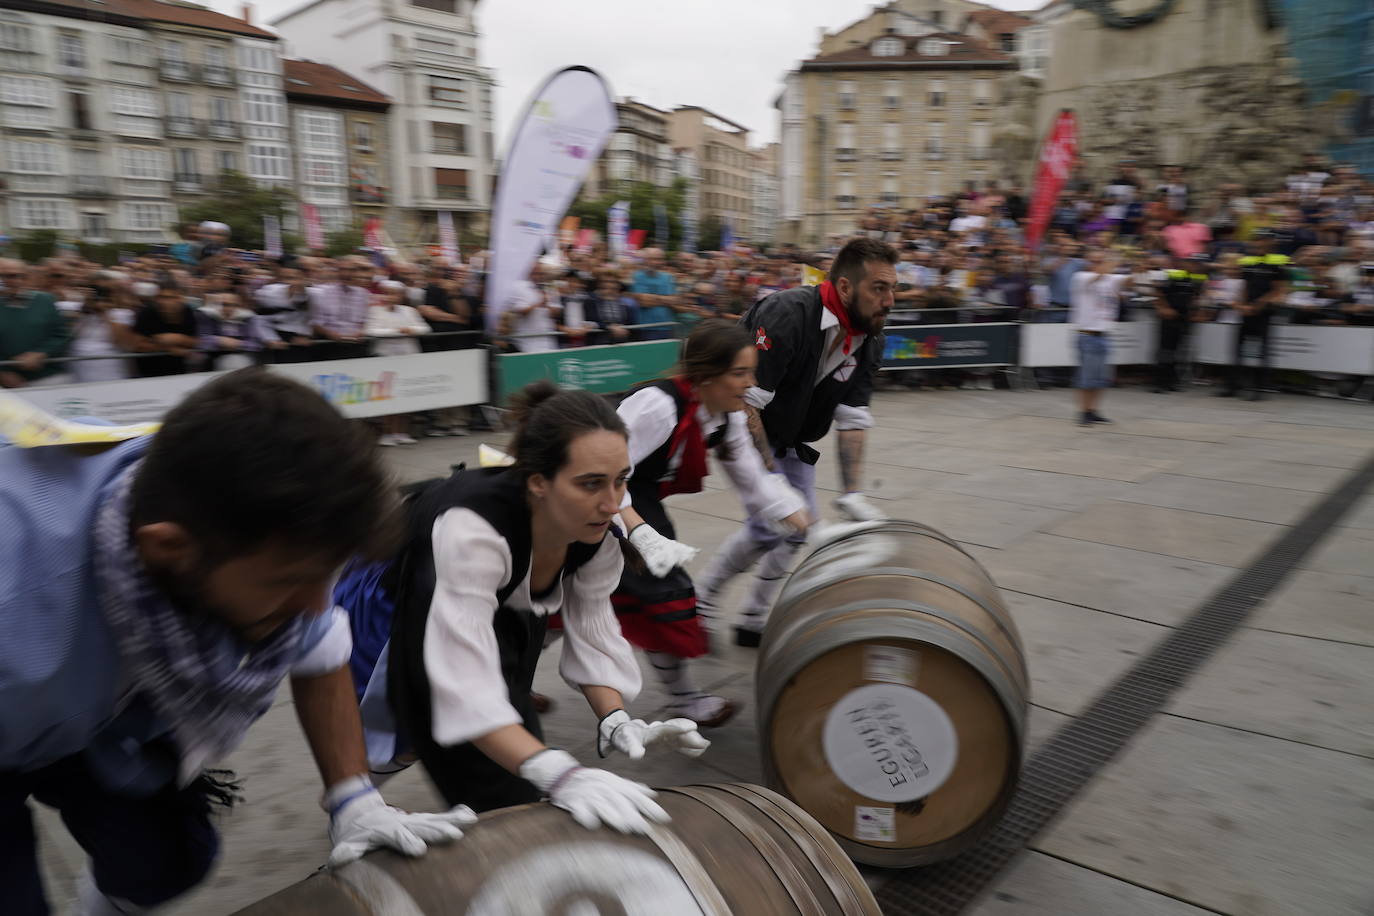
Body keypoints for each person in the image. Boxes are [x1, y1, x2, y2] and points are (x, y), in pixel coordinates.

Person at [0, 370, 473, 916]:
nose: (318, 604)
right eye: (287, 583)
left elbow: (320, 647)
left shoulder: (229, 512)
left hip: (100, 708)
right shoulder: (17, 603)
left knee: (171, 858)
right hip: (22, 682)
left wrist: (354, 798)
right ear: (167, 549)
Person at [337, 383, 708, 829]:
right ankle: (356, 810)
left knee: (510, 751)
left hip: (495, 608)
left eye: (621, 480)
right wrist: (561, 774)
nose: (612, 504)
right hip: (395, 605)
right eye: (590, 484)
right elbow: (460, 682)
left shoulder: (597, 536)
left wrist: (614, 718)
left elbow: (591, 626)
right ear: (538, 483)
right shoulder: (470, 529)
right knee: (411, 728)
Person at [695, 237, 892, 647]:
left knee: (798, 531)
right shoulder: (786, 314)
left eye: (894, 288)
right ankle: (702, 603)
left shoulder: (871, 335)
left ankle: (752, 619)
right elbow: (746, 405)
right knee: (772, 525)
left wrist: (852, 493)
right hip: (739, 421)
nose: (890, 299)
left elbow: (853, 416)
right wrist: (772, 483)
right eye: (879, 288)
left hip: (794, 435)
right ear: (844, 288)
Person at [614, 320, 810, 724]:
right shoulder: (657, 406)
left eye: (752, 371)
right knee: (630, 594)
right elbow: (599, 468)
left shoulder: (726, 417)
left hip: (636, 496)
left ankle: (685, 699)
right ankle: (506, 680)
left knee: (630, 596)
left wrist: (794, 512)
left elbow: (752, 476)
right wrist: (634, 530)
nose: (750, 383)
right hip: (596, 491)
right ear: (704, 375)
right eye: (740, 373)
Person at [1219, 231, 1290, 400]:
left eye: (1262, 240)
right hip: (1247, 311)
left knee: (1262, 352)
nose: (1258, 243)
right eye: (1257, 240)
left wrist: (1259, 304)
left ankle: (1258, 389)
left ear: (1270, 242)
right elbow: (1245, 287)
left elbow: (1279, 289)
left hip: (1264, 313)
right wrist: (1241, 305)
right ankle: (1232, 386)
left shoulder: (1278, 263)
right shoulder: (1249, 262)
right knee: (1237, 350)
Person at [365, 280, 429, 446]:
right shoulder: (375, 310)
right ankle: (386, 433)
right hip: (385, 357)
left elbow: (424, 328)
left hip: (408, 357)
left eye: (395, 293)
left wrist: (412, 330)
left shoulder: (410, 311)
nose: (391, 296)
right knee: (387, 396)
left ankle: (401, 432)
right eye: (387, 293)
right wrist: (397, 331)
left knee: (405, 394)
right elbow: (371, 330)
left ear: (401, 295)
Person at [1069, 249, 1128, 426]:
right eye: (1096, 261)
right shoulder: (1080, 277)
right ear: (1089, 263)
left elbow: (1129, 280)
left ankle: (1093, 411)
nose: (1099, 264)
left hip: (1104, 335)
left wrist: (1139, 269)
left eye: (1100, 261)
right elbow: (1100, 274)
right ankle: (1083, 412)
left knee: (1102, 378)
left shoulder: (1111, 278)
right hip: (1088, 335)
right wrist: (1112, 262)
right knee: (1087, 378)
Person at [0, 258, 70, 389]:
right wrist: (2, 373)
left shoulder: (45, 300)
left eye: (12, 276)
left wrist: (40, 353)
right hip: (8, 383)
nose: (6, 281)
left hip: (47, 378)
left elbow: (61, 335)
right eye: (2, 276)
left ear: (25, 277)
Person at [1153, 256, 1208, 393]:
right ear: (1184, 263)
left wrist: (1197, 312)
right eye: (1192, 263)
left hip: (1184, 318)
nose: (1195, 265)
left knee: (1178, 352)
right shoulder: (1174, 274)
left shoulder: (1198, 278)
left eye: (1197, 263)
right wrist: (1164, 308)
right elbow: (1158, 292)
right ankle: (1160, 383)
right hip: (1169, 317)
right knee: (1166, 351)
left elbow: (1197, 296)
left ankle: (1172, 382)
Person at [131, 282, 200, 378]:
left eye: (170, 297)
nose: (164, 301)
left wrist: (179, 339)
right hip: (148, 374)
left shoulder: (187, 312)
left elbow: (195, 342)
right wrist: (168, 348)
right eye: (161, 297)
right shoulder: (147, 312)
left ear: (180, 299)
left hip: (179, 373)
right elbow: (136, 345)